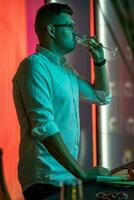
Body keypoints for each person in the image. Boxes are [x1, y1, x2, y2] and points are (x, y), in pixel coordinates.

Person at [13, 3, 112, 200]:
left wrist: (99, 61)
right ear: (51, 30)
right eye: (70, 27)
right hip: (44, 179)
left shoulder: (65, 69)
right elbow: (45, 127)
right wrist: (82, 173)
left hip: (66, 177)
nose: (76, 33)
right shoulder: (34, 66)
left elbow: (102, 97)